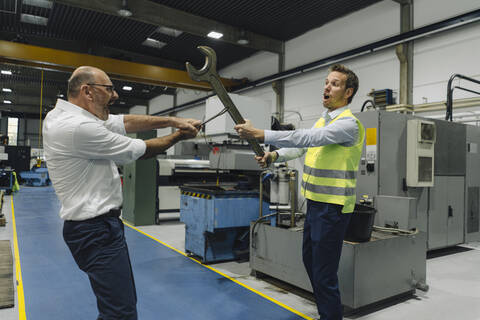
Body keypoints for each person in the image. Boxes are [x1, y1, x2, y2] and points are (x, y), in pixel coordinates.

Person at [43, 66, 201, 320]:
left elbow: (123, 122)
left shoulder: (61, 115)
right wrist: (179, 135)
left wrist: (173, 120)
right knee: (120, 313)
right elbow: (139, 150)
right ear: (88, 91)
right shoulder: (78, 128)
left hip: (97, 228)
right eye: (109, 89)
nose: (115, 95)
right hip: (95, 231)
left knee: (119, 306)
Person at [234, 64, 365, 320]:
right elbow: (300, 149)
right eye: (326, 82)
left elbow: (305, 139)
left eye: (335, 84)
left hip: (333, 207)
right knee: (310, 262)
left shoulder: (349, 124)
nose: (327, 87)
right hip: (316, 205)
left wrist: (261, 134)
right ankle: (327, 313)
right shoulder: (323, 121)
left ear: (348, 93)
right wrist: (273, 155)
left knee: (324, 273)